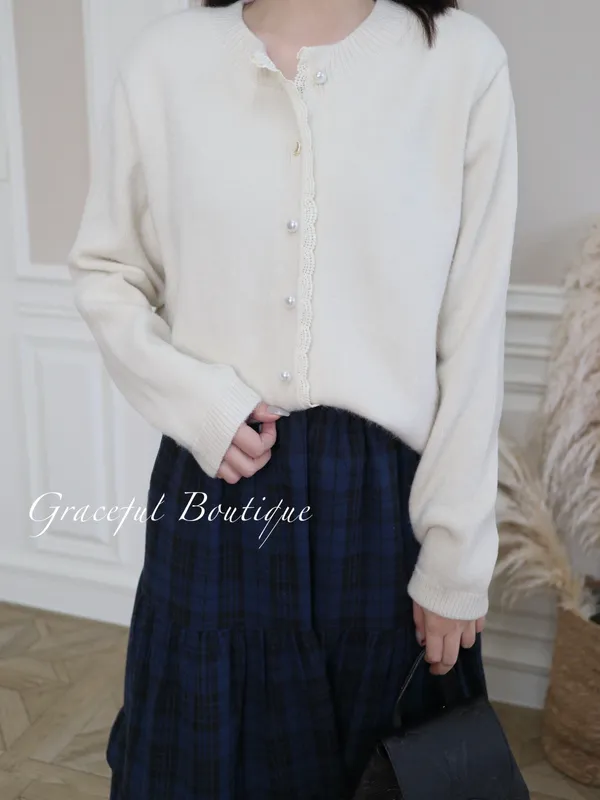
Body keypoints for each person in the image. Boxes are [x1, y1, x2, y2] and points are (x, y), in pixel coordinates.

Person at [68, 0, 518, 797]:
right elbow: (108, 272)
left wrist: (457, 555)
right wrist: (197, 402)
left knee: (384, 769)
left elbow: (473, 330)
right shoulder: (165, 62)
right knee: (202, 765)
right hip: (220, 484)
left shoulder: (461, 62)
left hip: (385, 508)